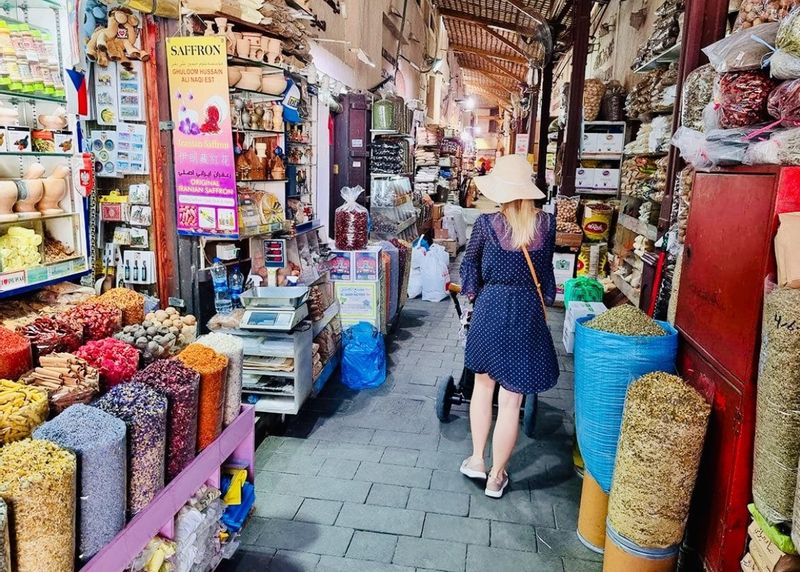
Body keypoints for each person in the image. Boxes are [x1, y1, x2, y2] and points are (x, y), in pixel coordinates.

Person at [458, 153, 559, 498]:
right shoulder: (546, 224)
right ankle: (497, 476)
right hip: (527, 311)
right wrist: (544, 297)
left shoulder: (487, 224)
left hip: (491, 308)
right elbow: (546, 275)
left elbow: (469, 264)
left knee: (483, 389)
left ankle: (476, 460)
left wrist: (472, 293)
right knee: (512, 401)